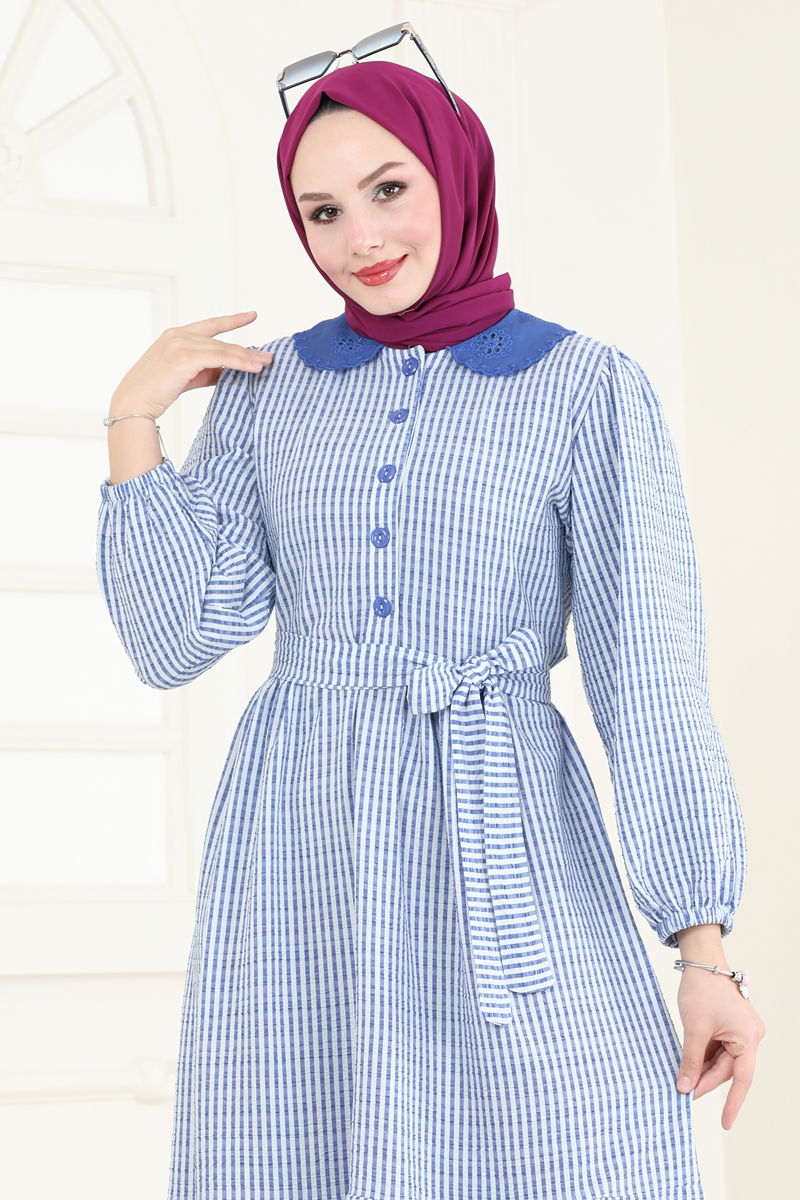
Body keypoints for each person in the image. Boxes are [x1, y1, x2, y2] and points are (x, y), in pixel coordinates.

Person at [97, 40, 765, 1200]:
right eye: (322, 211)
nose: (359, 238)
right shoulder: (271, 390)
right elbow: (177, 637)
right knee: (298, 1145)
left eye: (387, 188)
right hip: (301, 839)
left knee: (570, 1144)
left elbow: (647, 673)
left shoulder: (584, 388)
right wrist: (131, 423)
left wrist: (701, 949)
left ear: (455, 174)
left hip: (502, 816)